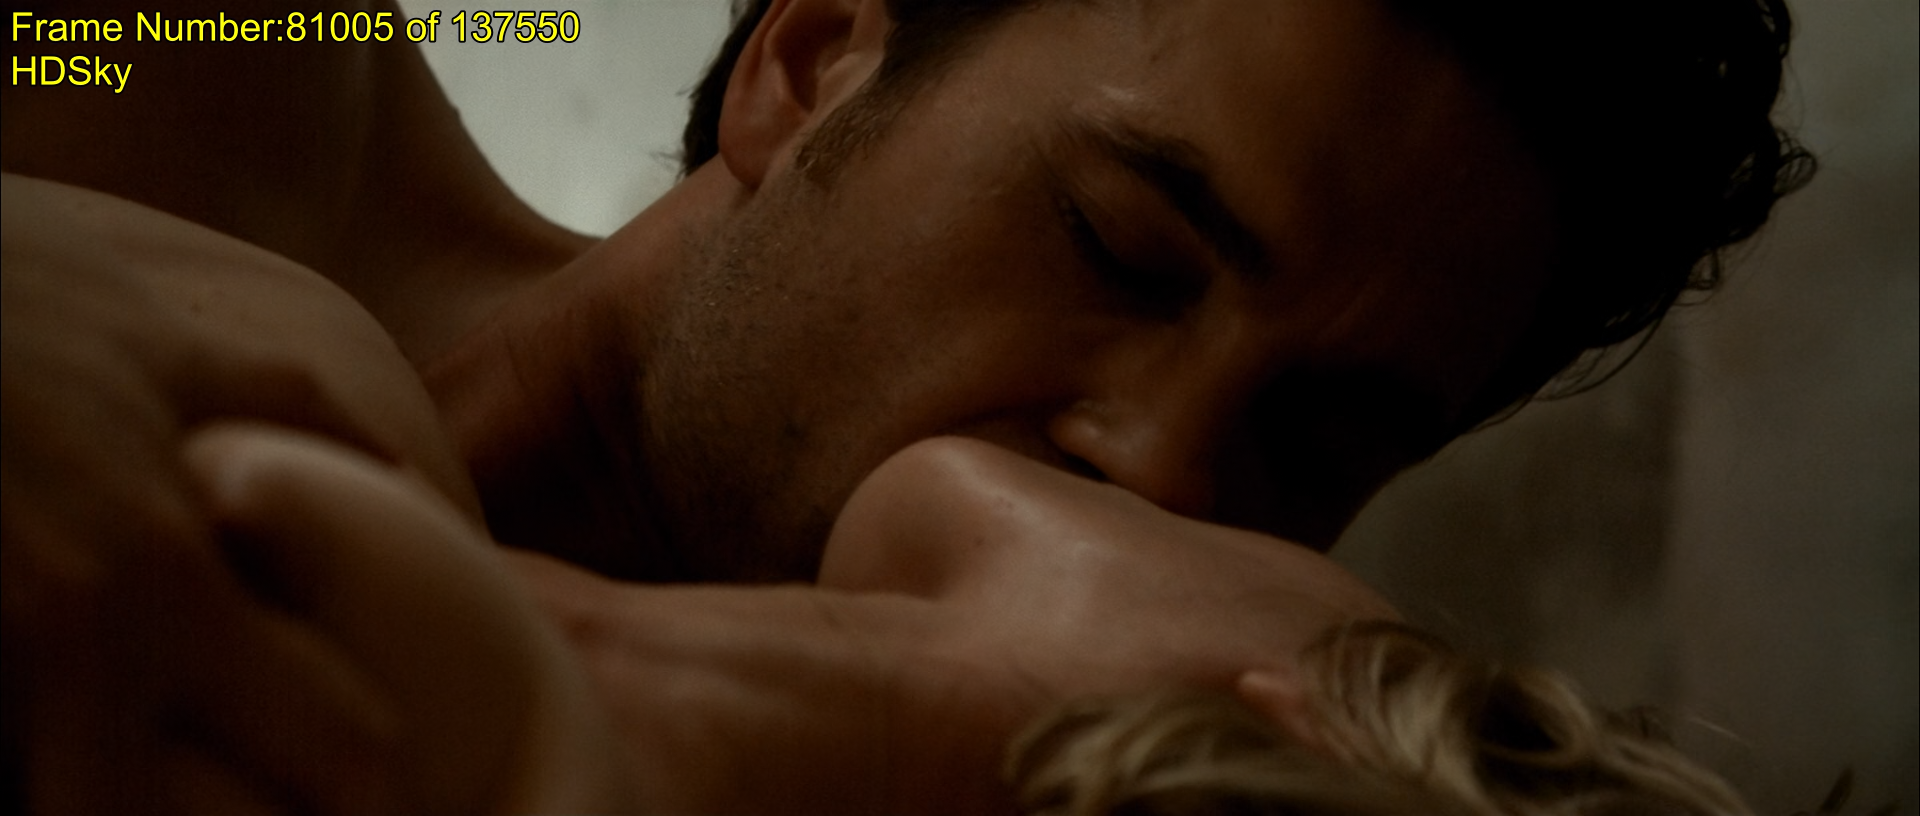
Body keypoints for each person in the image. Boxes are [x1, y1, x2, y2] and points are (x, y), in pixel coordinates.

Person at [2, 0, 1810, 810]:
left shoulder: (1164, 697)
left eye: (1318, 445)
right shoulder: (185, 58)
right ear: (812, 62)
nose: (1166, 463)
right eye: (1123, 249)